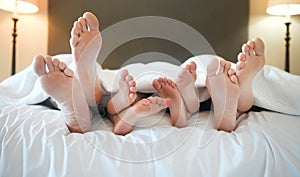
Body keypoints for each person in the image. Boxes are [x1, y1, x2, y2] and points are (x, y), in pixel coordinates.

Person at [32, 12, 265, 134]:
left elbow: (120, 123)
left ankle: (83, 93)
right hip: (181, 95)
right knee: (205, 79)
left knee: (106, 100)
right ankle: (234, 95)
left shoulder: (130, 84)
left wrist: (130, 107)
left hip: (118, 94)